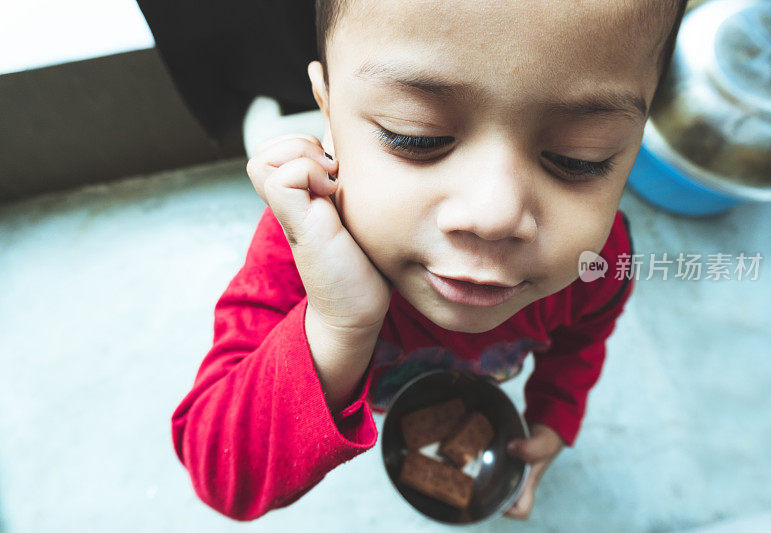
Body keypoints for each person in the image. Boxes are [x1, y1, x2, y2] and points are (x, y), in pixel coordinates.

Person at [171, 0, 688, 522]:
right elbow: (220, 472)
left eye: (580, 158)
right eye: (414, 136)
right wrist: (337, 325)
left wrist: (554, 416)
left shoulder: (597, 266)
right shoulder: (302, 248)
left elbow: (581, 342)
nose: (494, 215)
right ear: (327, 107)